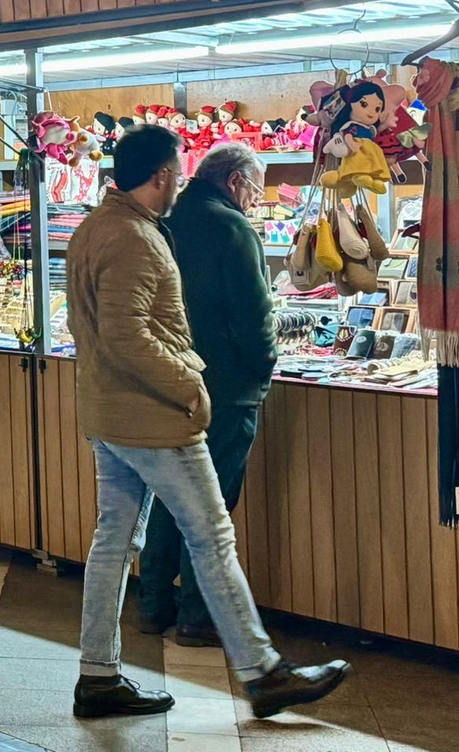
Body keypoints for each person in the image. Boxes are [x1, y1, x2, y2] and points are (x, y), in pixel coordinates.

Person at [65, 124, 349, 721]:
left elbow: (93, 329)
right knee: (213, 537)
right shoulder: (135, 239)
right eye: (177, 172)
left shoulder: (97, 227)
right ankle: (263, 672)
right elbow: (127, 335)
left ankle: (98, 675)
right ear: (164, 174)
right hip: (154, 419)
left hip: (109, 412)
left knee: (115, 539)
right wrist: (189, 384)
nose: (180, 184)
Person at [138, 143, 277, 646]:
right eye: (256, 190)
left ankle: (153, 604)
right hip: (225, 385)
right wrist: (263, 366)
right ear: (236, 181)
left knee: (168, 494)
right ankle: (198, 614)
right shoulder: (232, 226)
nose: (256, 201)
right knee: (212, 502)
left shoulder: (163, 219)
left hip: (171, 379)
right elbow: (254, 313)